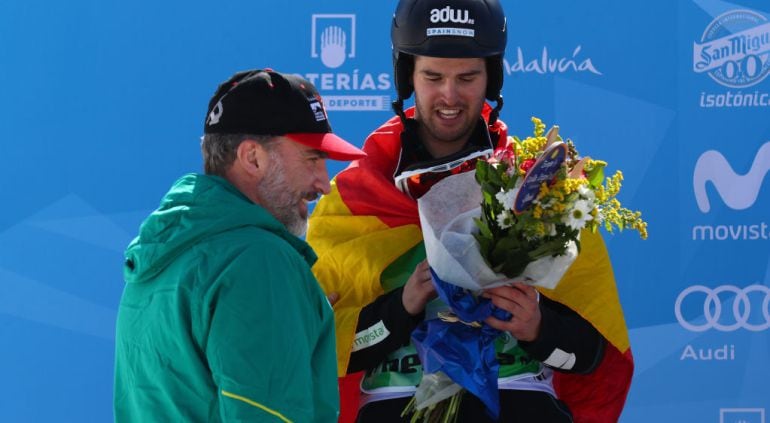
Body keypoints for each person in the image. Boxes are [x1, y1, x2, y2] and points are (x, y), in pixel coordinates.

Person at [307, 0, 634, 422]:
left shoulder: (539, 186)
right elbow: (325, 351)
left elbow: (593, 358)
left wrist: (536, 326)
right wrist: (402, 306)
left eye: (467, 77)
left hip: (517, 401)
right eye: (432, 76)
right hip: (394, 407)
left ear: (491, 79)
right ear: (408, 76)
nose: (450, 95)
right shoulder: (355, 198)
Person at [114, 68, 366, 422]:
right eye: (312, 158)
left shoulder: (164, 253)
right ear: (253, 158)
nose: (324, 184)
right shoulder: (259, 260)